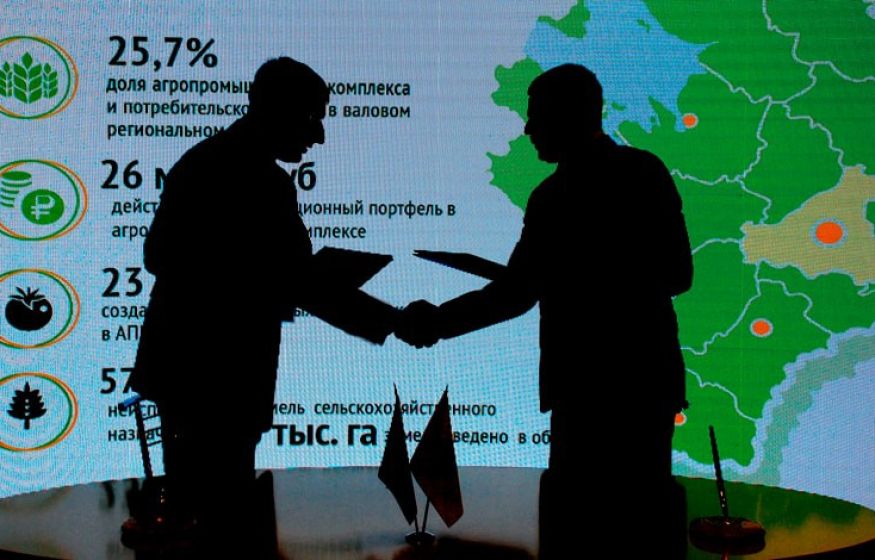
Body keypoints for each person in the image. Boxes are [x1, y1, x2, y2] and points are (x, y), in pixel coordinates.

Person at [396, 64, 692, 556]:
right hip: (627, 390)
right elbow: (675, 274)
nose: (529, 128)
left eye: (537, 116)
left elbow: (516, 294)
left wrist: (436, 323)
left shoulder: (566, 195)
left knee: (588, 531)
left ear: (570, 116)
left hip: (602, 392)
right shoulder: (626, 177)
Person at [129, 57, 363, 555]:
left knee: (210, 517)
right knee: (215, 524)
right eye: (312, 118)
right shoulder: (248, 176)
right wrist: (385, 320)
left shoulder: (209, 163)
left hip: (201, 378)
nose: (319, 136)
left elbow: (166, 256)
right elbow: (167, 256)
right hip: (214, 381)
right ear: (277, 109)